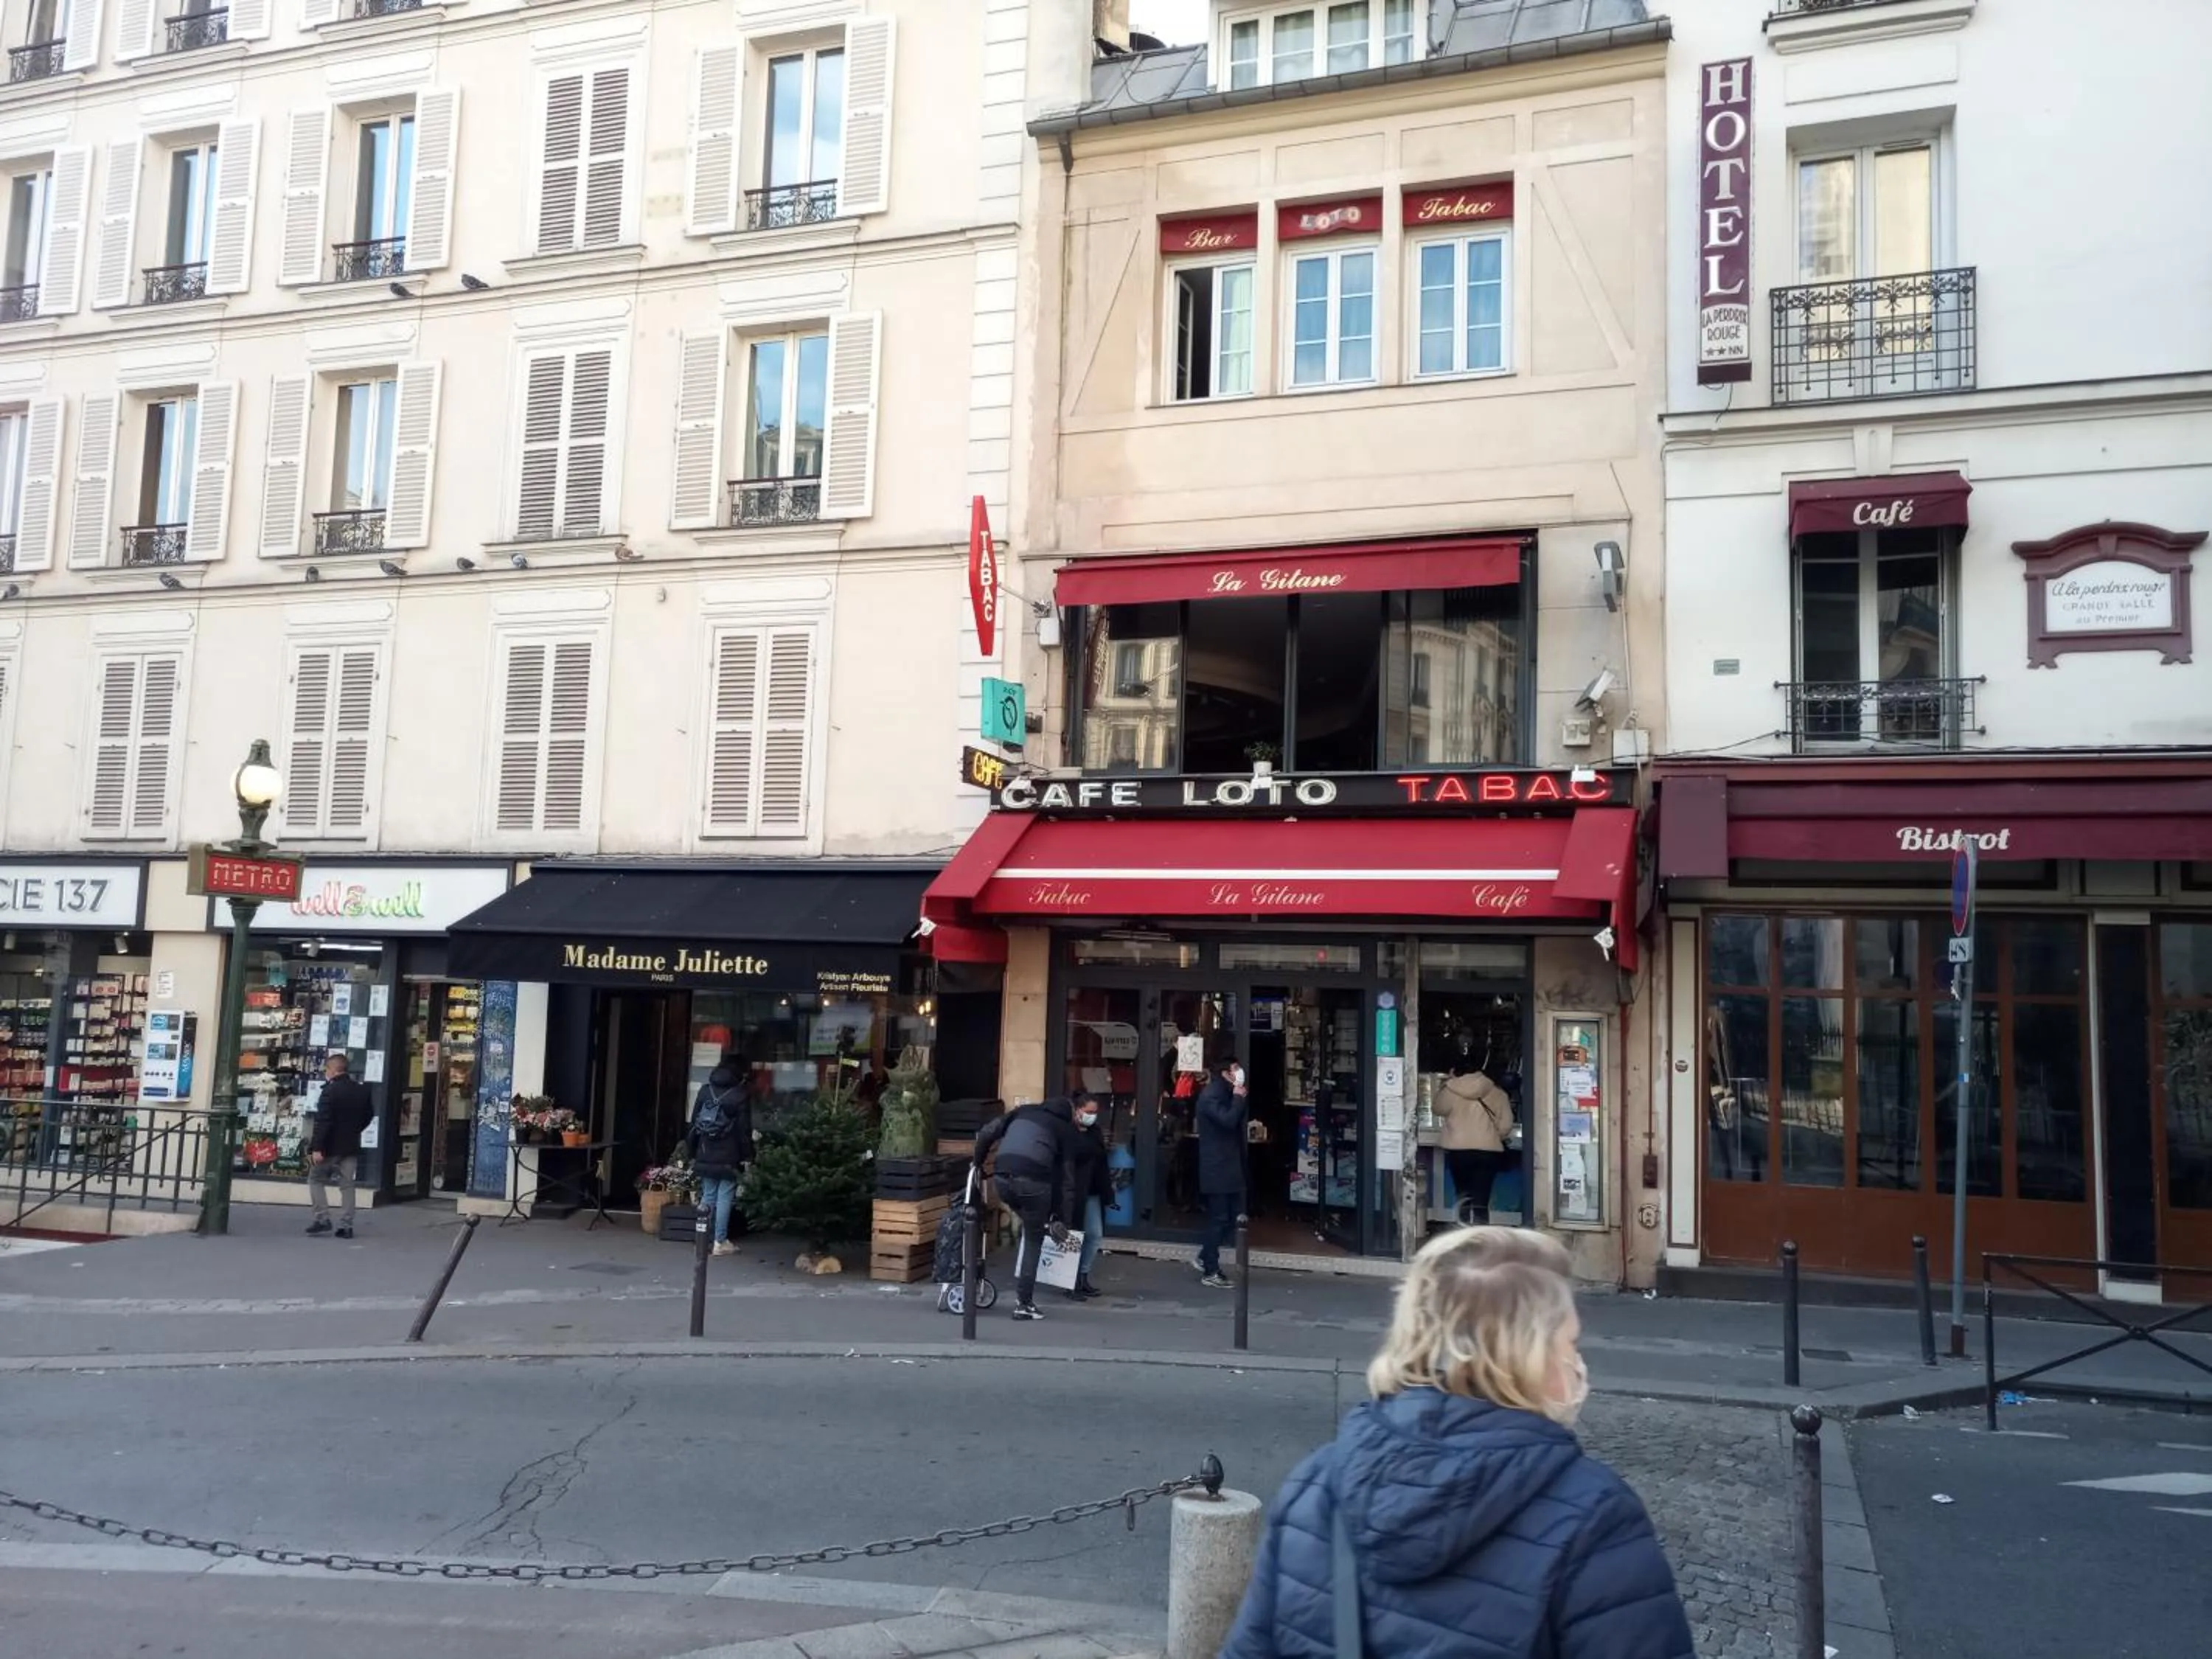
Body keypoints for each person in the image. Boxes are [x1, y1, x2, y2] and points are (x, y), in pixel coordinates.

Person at [1222, 1226, 1694, 1659]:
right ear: (1524, 1356)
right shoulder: (1596, 1519)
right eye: (1569, 1344)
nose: (1576, 1362)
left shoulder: (1317, 1484)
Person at [972, 1096, 1075, 1321]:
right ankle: (1024, 1305)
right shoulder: (1065, 1130)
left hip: (1002, 1178)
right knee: (1033, 1238)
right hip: (1034, 1182)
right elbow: (1066, 1180)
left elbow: (988, 1131)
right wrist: (1063, 1220)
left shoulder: (1023, 1112)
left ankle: (1042, 1223)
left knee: (1030, 1218)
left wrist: (977, 1162)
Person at [689, 1058, 754, 1256]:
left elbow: (694, 1123)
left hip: (706, 1150)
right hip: (729, 1153)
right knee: (725, 1195)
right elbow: (744, 1131)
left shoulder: (704, 1091)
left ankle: (704, 1239)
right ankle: (720, 1241)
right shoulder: (739, 1095)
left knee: (708, 1194)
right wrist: (748, 1156)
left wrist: (692, 1150)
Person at [305, 1052, 375, 1239]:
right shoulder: (361, 1090)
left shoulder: (329, 1091)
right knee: (347, 1185)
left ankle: (322, 1218)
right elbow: (368, 1116)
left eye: (327, 1069)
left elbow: (323, 1122)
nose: (326, 1073)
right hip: (351, 1144)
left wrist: (317, 1148)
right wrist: (355, 1131)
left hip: (330, 1146)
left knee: (315, 1179)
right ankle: (346, 1225)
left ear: (334, 1070)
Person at [1435, 1060, 1515, 1219]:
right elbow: (1506, 1125)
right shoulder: (1498, 1093)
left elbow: (1437, 1109)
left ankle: (1462, 1233)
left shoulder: (1451, 1090)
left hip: (1458, 1151)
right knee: (1481, 1199)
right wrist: (1495, 1136)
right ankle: (1481, 1235)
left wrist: (1446, 1085)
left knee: (1463, 1195)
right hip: (1487, 1153)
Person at [1193, 1053, 1246, 1289]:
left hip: (1227, 1164)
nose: (1240, 1072)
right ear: (1226, 1073)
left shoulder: (1223, 1092)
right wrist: (1237, 1098)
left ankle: (1205, 1256)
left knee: (1232, 1217)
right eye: (1236, 1069)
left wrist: (1237, 1098)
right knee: (1219, 1218)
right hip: (1217, 1167)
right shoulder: (1212, 1096)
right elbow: (1227, 1121)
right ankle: (1210, 1270)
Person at [1065, 1091, 1113, 1302]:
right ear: (1077, 1111)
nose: (1092, 1116)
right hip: (1073, 1192)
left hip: (1092, 1191)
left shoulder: (1095, 1131)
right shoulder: (1067, 1132)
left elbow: (1101, 1163)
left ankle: (1083, 1276)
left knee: (1094, 1235)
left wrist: (1108, 1193)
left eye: (1095, 1112)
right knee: (1074, 1236)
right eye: (1089, 1112)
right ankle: (1071, 1281)